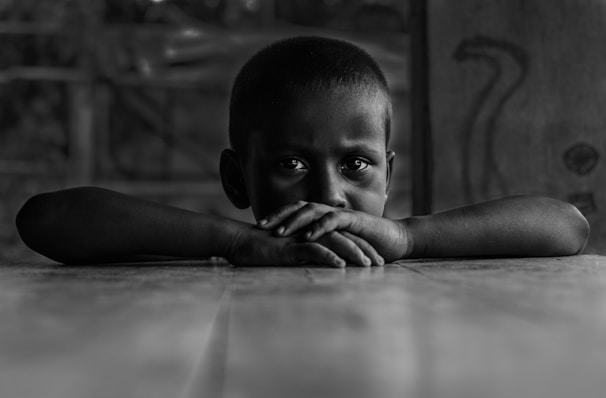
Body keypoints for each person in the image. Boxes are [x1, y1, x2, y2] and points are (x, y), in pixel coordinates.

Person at [16, 36, 589, 266]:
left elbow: (567, 227)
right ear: (237, 181)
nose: (328, 194)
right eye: (291, 164)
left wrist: (411, 237)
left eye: (357, 165)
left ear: (387, 177)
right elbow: (44, 219)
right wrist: (239, 242)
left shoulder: (402, 253)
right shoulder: (237, 256)